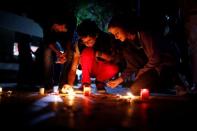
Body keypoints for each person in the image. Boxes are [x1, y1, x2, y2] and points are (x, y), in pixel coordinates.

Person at [107, 15, 188, 96]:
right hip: (151, 69)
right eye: (114, 35)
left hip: (163, 66)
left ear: (124, 27)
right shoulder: (127, 44)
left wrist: (142, 72)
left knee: (137, 88)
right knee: (134, 90)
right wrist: (118, 80)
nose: (116, 37)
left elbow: (156, 58)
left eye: (117, 33)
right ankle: (160, 83)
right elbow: (132, 66)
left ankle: (175, 81)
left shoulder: (143, 34)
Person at [75, 19, 122, 91]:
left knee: (114, 68)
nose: (87, 44)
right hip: (89, 69)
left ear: (96, 35)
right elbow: (74, 65)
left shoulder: (108, 39)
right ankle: (86, 83)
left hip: (103, 68)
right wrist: (69, 84)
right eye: (84, 42)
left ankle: (100, 81)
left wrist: (99, 54)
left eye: (89, 40)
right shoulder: (80, 43)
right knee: (87, 51)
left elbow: (114, 59)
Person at [42, 13, 77, 90]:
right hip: (51, 41)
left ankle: (63, 85)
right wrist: (57, 52)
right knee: (47, 52)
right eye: (61, 28)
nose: (62, 30)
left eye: (64, 29)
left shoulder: (71, 24)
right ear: (55, 23)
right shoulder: (47, 24)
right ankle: (48, 85)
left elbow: (69, 41)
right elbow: (48, 42)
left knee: (70, 53)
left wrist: (66, 53)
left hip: (65, 41)